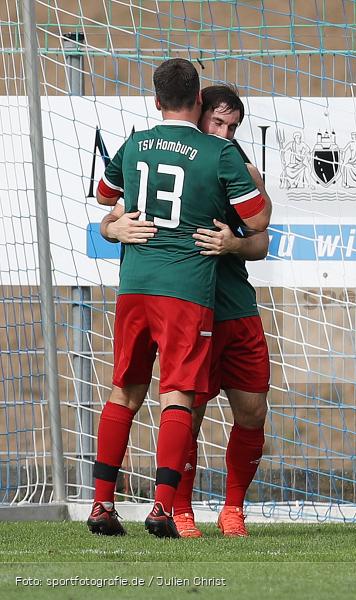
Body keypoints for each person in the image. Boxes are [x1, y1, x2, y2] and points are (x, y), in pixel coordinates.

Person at [88, 59, 270, 538]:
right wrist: (112, 228)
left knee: (129, 392)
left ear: (156, 100)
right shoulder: (217, 158)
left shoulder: (136, 145)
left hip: (158, 293)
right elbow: (257, 216)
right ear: (198, 106)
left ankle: (106, 505)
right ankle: (169, 509)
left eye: (233, 126)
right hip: (189, 295)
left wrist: (111, 224)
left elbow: (108, 195)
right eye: (218, 121)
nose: (225, 131)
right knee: (179, 399)